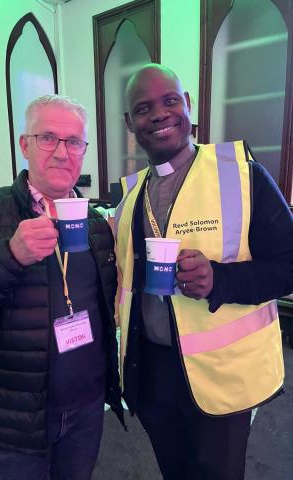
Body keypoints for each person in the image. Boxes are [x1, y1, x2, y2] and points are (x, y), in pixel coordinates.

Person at [115, 63, 293, 480]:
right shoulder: (128, 196)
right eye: (143, 108)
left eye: (170, 101)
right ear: (130, 122)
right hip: (154, 373)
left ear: (189, 105)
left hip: (222, 373)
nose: (158, 114)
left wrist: (219, 279)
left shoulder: (243, 175)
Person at [0, 94, 124, 480]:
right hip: (12, 419)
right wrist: (9, 256)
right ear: (25, 144)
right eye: (48, 138)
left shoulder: (96, 226)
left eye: (74, 142)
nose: (61, 152)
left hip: (86, 411)